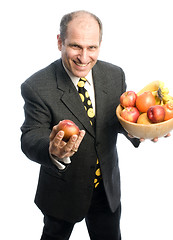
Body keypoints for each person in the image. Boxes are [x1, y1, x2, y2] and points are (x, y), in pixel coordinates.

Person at [20, 10, 169, 240]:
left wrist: (141, 129)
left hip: (106, 189)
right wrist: (52, 151)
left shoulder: (114, 75)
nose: (84, 57)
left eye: (92, 48)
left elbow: (116, 120)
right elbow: (31, 135)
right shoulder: (37, 86)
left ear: (100, 45)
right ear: (60, 42)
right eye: (76, 46)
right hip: (62, 193)